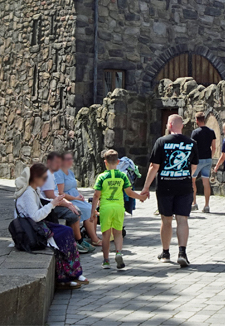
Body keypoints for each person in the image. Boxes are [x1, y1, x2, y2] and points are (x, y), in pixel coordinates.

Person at [14, 163, 88, 290]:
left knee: (67, 231)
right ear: (36, 178)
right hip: (31, 229)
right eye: (44, 178)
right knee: (62, 236)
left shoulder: (34, 190)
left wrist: (57, 202)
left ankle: (73, 273)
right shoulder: (28, 193)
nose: (45, 181)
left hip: (36, 226)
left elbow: (43, 205)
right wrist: (53, 204)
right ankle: (64, 277)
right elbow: (35, 217)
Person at [139, 114, 198, 268]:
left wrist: (145, 188)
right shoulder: (191, 143)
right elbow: (194, 166)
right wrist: (184, 176)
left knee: (166, 219)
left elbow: (154, 166)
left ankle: (165, 253)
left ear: (170, 125)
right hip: (184, 186)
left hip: (165, 186)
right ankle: (182, 252)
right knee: (182, 219)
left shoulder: (161, 142)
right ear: (182, 126)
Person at [92, 150, 145, 269]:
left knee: (106, 235)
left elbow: (96, 196)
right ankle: (118, 252)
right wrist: (141, 197)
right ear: (118, 162)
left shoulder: (101, 177)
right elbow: (129, 192)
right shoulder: (122, 176)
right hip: (118, 207)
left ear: (105, 162)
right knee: (118, 233)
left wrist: (92, 212)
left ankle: (106, 261)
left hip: (105, 208)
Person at [41, 151, 93, 254]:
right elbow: (51, 197)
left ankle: (80, 239)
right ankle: (78, 240)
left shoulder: (52, 174)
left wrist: (68, 203)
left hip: (54, 203)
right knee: (74, 213)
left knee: (77, 210)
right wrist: (67, 203)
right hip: (47, 206)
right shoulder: (48, 175)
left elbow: (57, 195)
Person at [56, 151, 101, 246]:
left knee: (93, 210)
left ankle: (93, 235)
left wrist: (79, 195)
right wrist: (75, 197)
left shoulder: (70, 173)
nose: (70, 161)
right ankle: (94, 239)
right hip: (68, 199)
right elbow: (61, 193)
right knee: (89, 210)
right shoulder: (59, 173)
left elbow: (74, 188)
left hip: (76, 198)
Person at [190, 112, 215, 213]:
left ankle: (194, 203)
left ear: (197, 120)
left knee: (192, 181)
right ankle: (207, 205)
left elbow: (192, 147)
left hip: (197, 160)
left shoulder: (195, 132)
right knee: (206, 182)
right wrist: (210, 157)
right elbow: (214, 147)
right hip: (208, 159)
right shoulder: (211, 132)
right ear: (204, 119)